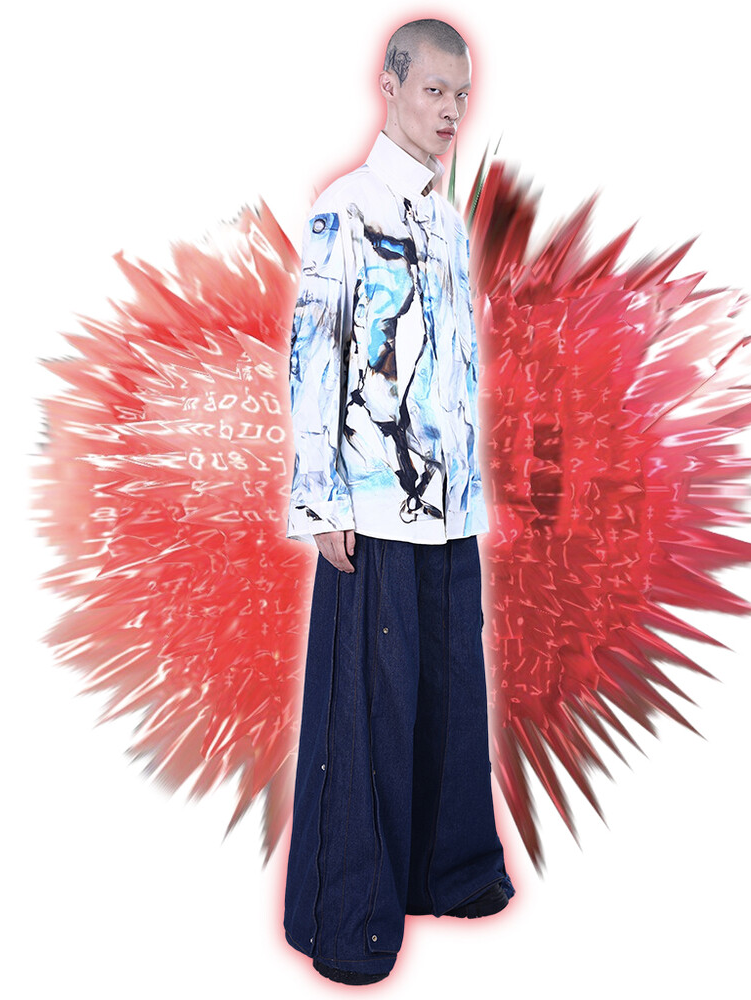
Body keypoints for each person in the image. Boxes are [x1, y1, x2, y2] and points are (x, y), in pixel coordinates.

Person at [282, 18, 515, 986]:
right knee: (367, 713)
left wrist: (472, 489)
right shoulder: (346, 208)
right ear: (391, 86)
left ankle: (448, 872)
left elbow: (454, 367)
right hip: (370, 511)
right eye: (434, 92)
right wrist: (319, 498)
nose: (452, 111)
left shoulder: (446, 223)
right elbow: (314, 353)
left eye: (462, 95)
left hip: (449, 508)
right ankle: (349, 918)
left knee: (449, 697)